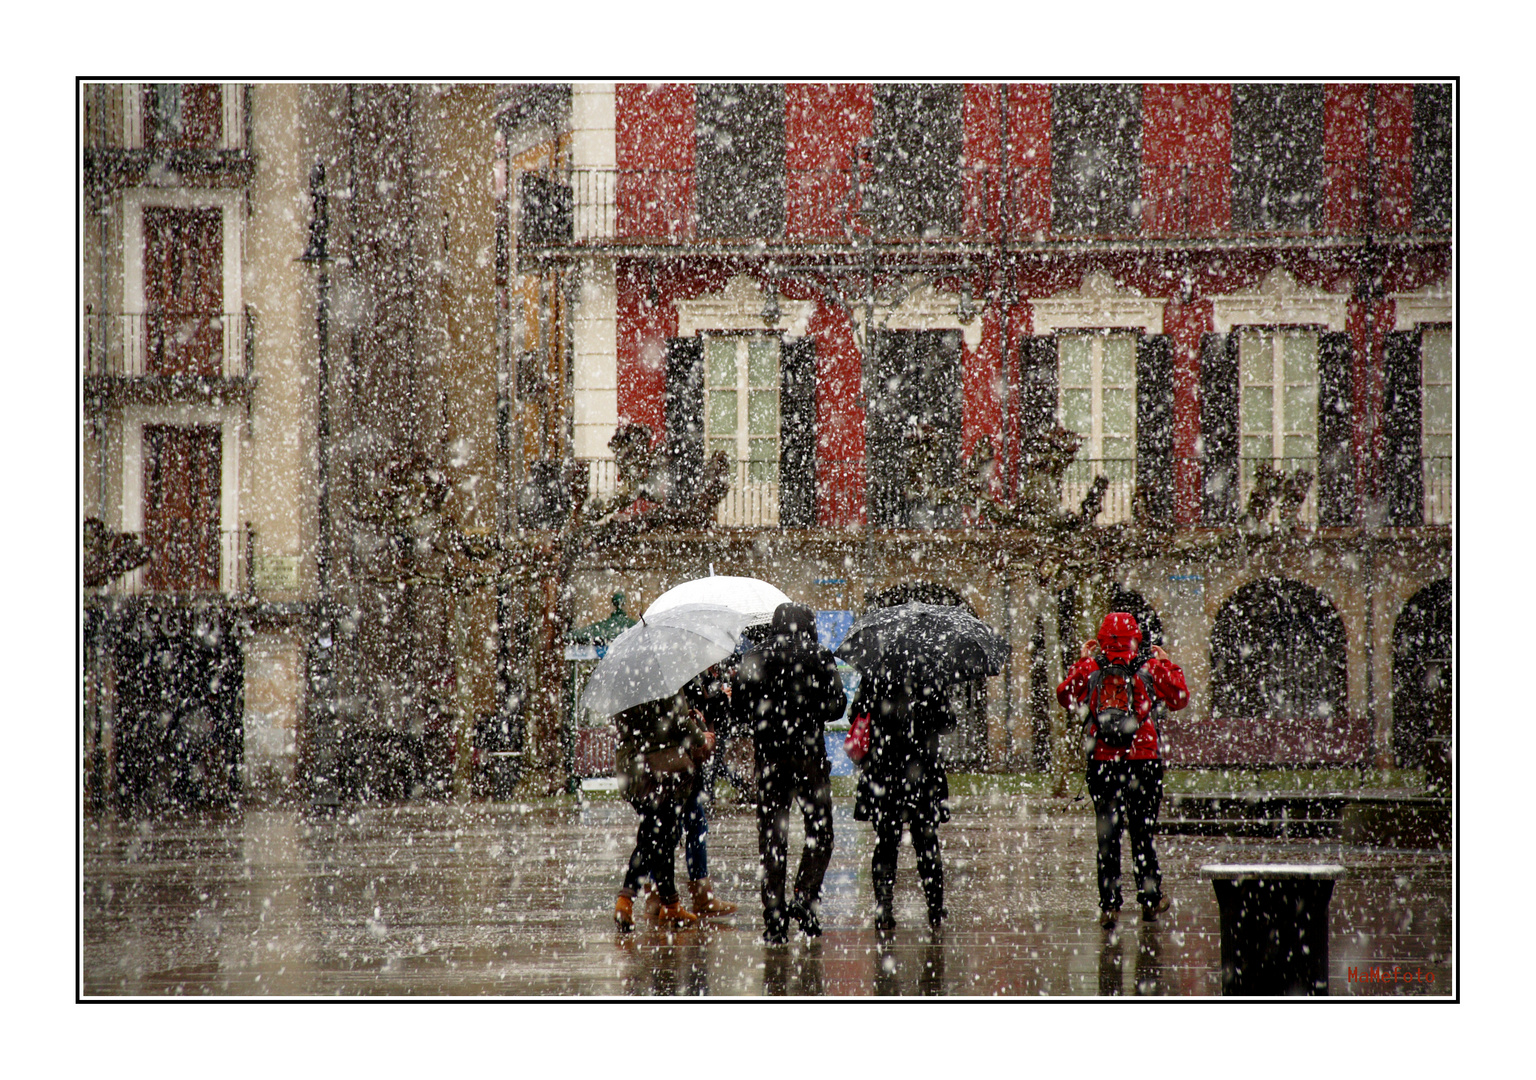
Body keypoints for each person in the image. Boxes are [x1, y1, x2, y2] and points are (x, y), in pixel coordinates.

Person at [1057, 611, 1189, 929]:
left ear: (1102, 639)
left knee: (1108, 834)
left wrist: (1081, 661)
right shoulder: (1151, 667)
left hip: (1103, 761)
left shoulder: (1091, 667)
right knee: (1143, 832)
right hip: (1143, 759)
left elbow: (1065, 697)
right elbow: (1180, 698)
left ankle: (1110, 905)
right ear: (1137, 637)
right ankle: (1150, 897)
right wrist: (1167, 662)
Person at [731, 602, 846, 944]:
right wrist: (809, 710)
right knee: (821, 833)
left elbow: (739, 709)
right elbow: (837, 705)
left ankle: (775, 918)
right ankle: (805, 897)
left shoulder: (755, 656)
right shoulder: (820, 655)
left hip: (770, 759)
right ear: (809, 623)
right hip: (809, 756)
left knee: (772, 840)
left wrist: (765, 714)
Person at [852, 665, 954, 935]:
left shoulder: (875, 672)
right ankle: (934, 907)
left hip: (884, 772)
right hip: (922, 773)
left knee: (886, 841)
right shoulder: (930, 672)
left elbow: (856, 713)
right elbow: (947, 722)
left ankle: (884, 908)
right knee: (926, 842)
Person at [611, 691, 714, 932]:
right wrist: (701, 738)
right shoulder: (660, 682)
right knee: (656, 836)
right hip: (658, 768)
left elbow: (643, 723)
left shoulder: (626, 684)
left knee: (659, 834)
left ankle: (668, 902)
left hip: (631, 766)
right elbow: (676, 723)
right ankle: (628, 899)